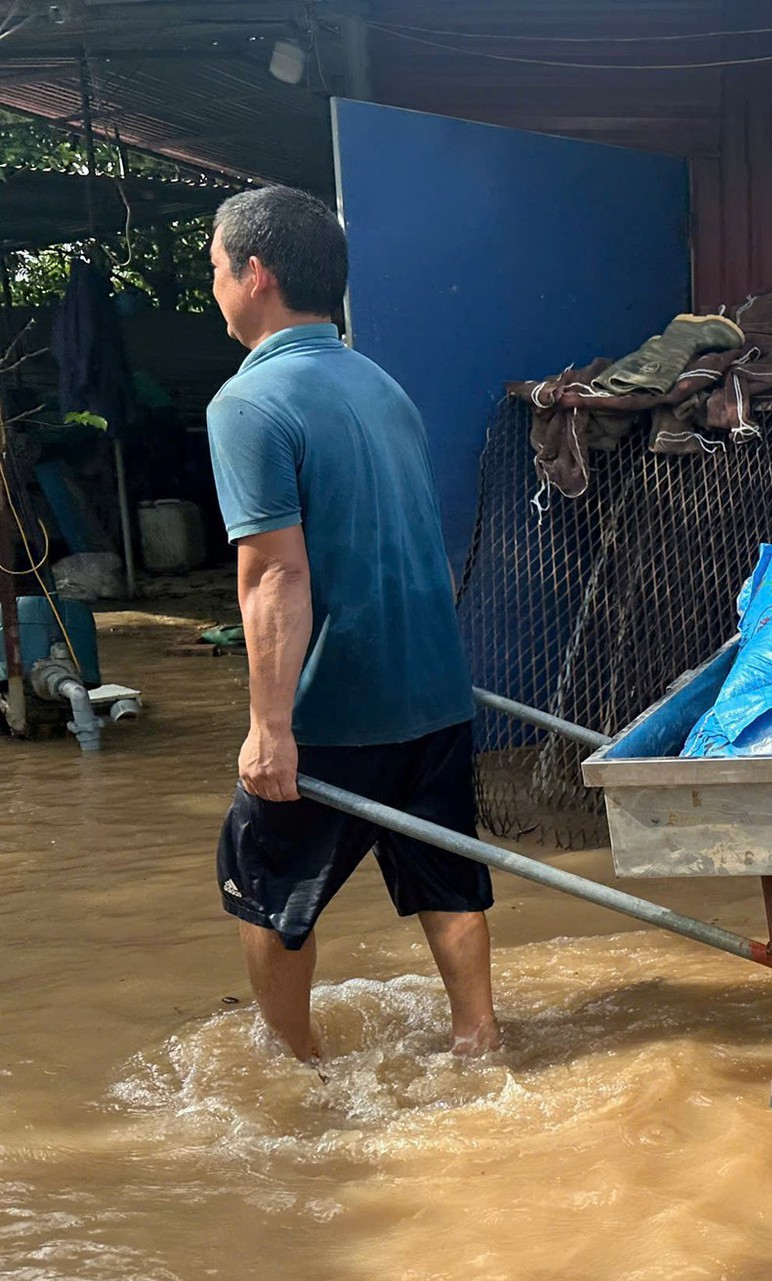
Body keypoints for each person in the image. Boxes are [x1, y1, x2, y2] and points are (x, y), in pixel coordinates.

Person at [206, 185, 500, 1062]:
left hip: (337, 704)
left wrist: (270, 730)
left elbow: (274, 576)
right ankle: (479, 1042)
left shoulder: (249, 404)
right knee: (446, 878)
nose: (214, 286)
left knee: (266, 890)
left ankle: (298, 1070)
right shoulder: (380, 385)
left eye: (216, 268)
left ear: (256, 274)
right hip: (434, 691)